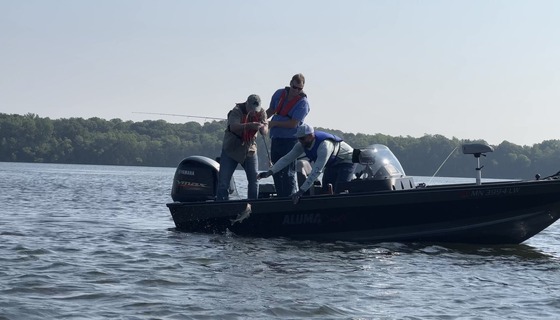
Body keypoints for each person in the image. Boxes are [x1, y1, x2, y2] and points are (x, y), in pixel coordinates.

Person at [258, 123, 356, 204]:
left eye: (302, 138)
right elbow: (286, 159)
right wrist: (270, 172)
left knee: (340, 189)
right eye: (298, 138)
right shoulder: (302, 144)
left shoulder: (324, 146)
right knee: (325, 190)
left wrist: (301, 191)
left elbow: (317, 170)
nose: (300, 141)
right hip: (332, 164)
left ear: (311, 136)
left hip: (347, 162)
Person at [265, 73, 310, 197]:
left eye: (299, 89)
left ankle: (288, 199)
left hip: (290, 141)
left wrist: (273, 123)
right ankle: (280, 197)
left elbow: (293, 124)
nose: (296, 91)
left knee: (287, 172)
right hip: (276, 139)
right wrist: (262, 121)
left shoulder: (303, 103)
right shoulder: (279, 94)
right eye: (294, 87)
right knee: (275, 170)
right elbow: (270, 110)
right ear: (290, 84)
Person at [216, 94, 268, 200]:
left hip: (249, 149)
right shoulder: (236, 111)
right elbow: (233, 127)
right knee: (223, 182)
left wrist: (263, 127)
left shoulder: (262, 112)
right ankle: (221, 206)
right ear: (247, 104)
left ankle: (252, 207)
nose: (254, 111)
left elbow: (265, 130)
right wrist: (249, 125)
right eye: (252, 109)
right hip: (231, 149)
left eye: (256, 109)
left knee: (254, 180)